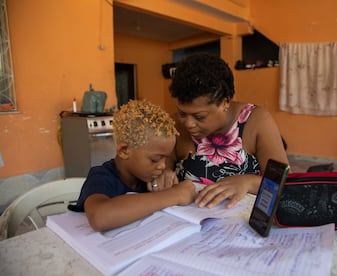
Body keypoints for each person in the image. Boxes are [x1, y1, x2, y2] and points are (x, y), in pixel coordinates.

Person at [166, 53, 289, 209]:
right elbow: (163, 164)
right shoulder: (176, 124)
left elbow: (283, 182)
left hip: (239, 222)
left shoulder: (256, 121)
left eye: (200, 116)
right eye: (182, 113)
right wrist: (163, 174)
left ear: (224, 103)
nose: (189, 124)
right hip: (187, 223)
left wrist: (248, 182)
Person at [68, 99, 196, 231]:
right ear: (124, 151)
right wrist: (174, 195)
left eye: (166, 158)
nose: (163, 166)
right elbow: (99, 218)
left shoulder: (148, 177)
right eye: (155, 159)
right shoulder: (101, 176)